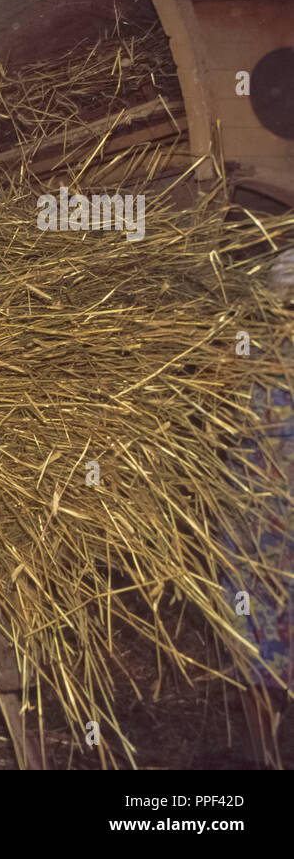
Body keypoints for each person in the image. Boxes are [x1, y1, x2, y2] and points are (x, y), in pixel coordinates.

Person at [219, 247, 294, 768]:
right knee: (252, 633)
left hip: (263, 528)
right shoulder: (245, 352)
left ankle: (271, 748)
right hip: (255, 528)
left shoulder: (245, 352)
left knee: (259, 633)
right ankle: (267, 753)